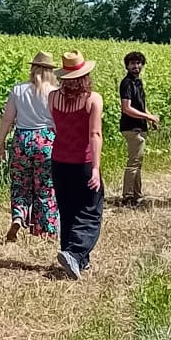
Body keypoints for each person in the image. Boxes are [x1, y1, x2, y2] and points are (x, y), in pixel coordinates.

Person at [48, 51, 105, 278]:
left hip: (59, 160)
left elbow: (55, 127)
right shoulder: (93, 99)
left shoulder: (52, 97)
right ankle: (75, 253)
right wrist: (95, 169)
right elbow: (95, 134)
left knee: (68, 209)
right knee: (91, 210)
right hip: (83, 161)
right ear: (85, 76)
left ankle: (76, 259)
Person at [0, 50, 59, 242]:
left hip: (22, 139)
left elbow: (7, 119)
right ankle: (46, 230)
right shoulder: (55, 92)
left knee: (20, 184)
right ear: (50, 71)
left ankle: (19, 216)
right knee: (46, 186)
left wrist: (0, 145)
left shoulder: (18, 90)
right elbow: (57, 121)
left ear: (33, 68)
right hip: (47, 139)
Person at [117, 51, 160, 206]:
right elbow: (126, 108)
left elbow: (141, 106)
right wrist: (148, 117)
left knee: (138, 163)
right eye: (132, 63)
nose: (136, 66)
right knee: (133, 163)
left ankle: (137, 194)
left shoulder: (138, 82)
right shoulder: (127, 83)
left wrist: (150, 117)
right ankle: (127, 197)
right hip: (131, 127)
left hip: (140, 126)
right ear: (127, 66)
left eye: (138, 63)